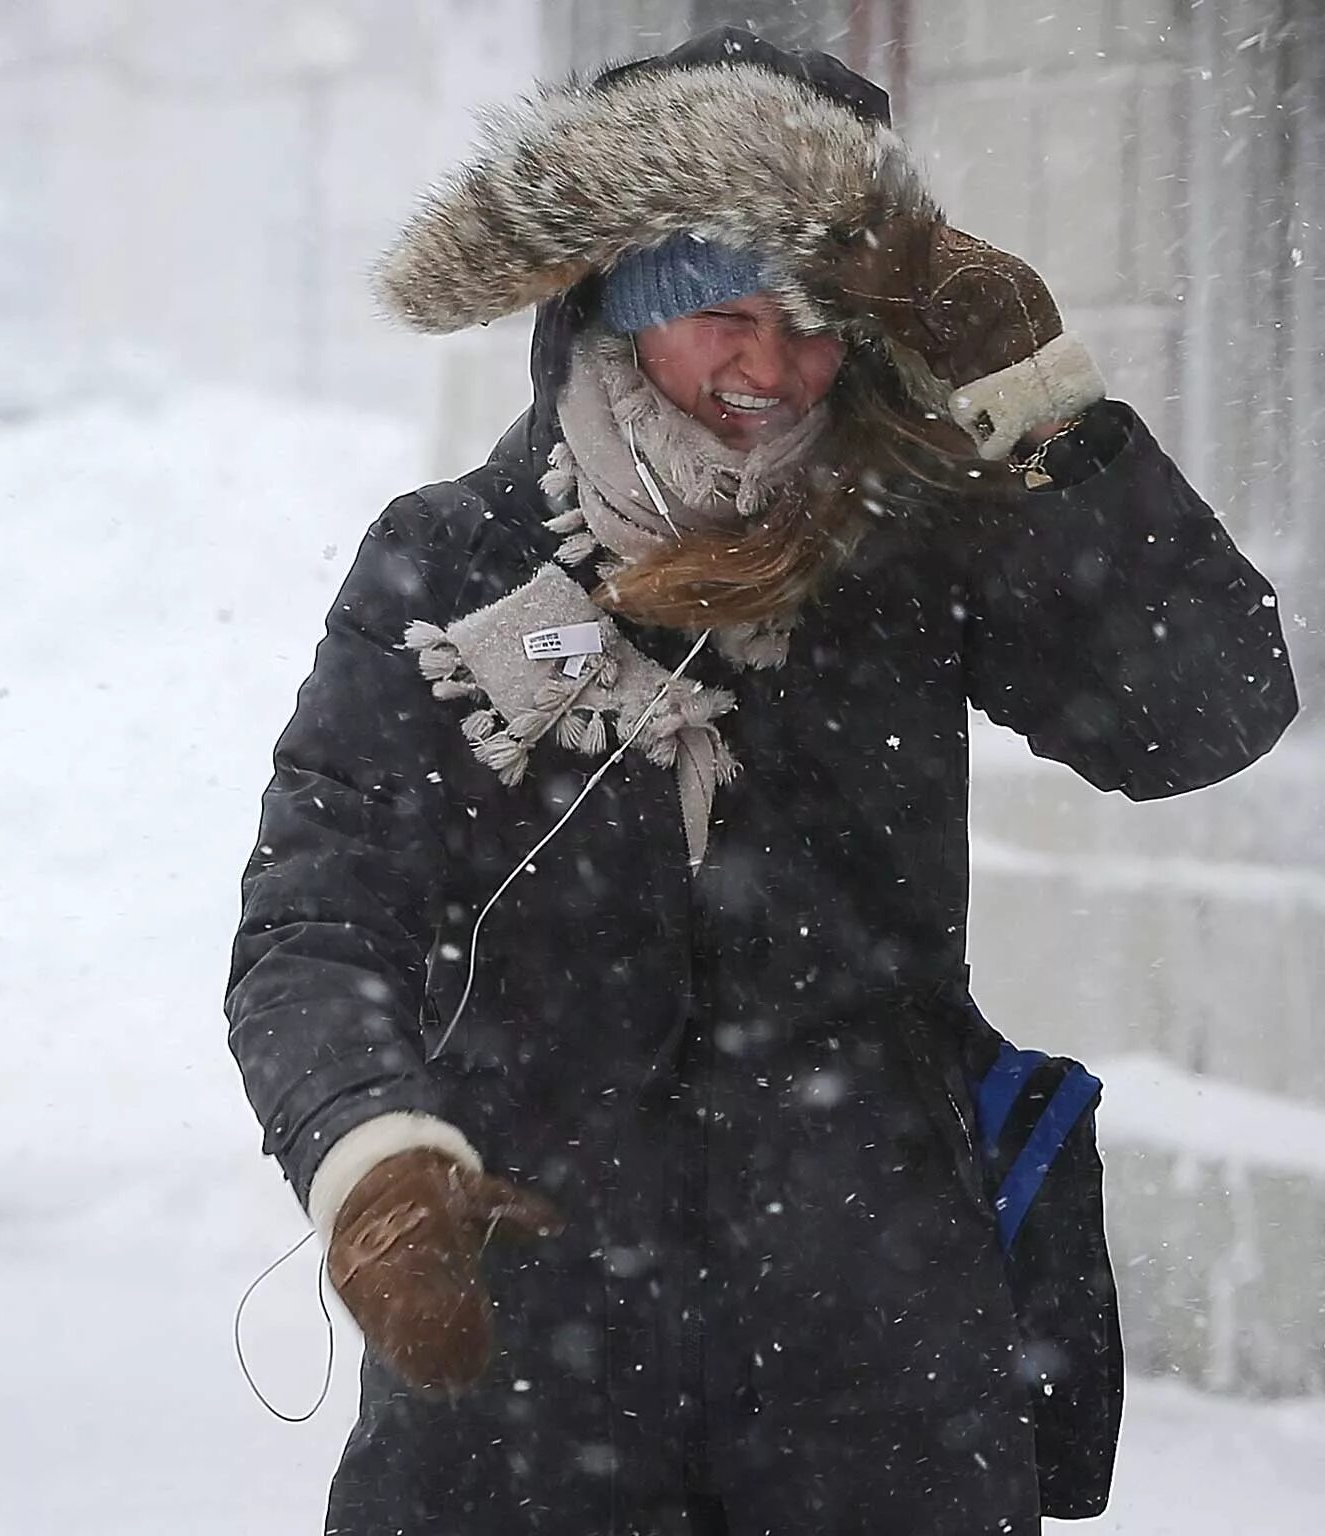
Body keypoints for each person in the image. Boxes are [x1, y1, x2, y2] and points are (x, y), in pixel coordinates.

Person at [225, 29, 1297, 1535]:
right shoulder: (453, 556)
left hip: (876, 1376)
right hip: (531, 1367)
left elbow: (1205, 715)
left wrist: (1044, 404)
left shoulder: (918, 544)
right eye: (720, 313)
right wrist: (371, 1155)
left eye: (810, 324)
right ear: (614, 301)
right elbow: (318, 919)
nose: (770, 368)